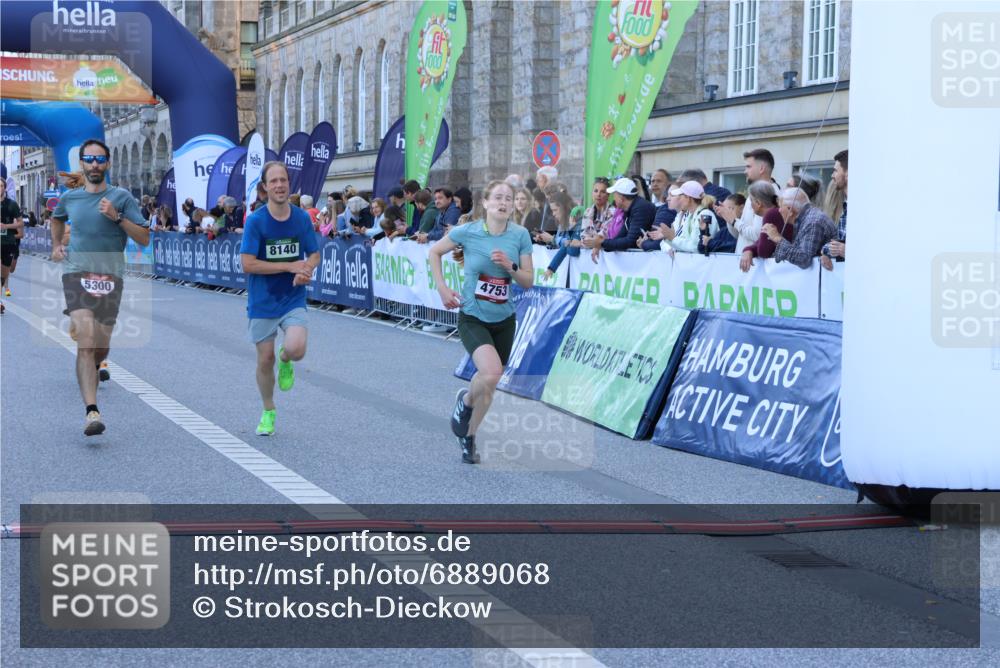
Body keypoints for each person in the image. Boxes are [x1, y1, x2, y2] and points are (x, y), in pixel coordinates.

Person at [49, 139, 150, 435]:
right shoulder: (71, 198)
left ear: (107, 163)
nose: (94, 165)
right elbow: (56, 219)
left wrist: (116, 218)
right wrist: (57, 245)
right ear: (82, 163)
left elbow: (144, 238)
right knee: (86, 339)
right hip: (76, 272)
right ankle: (92, 411)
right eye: (89, 159)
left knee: (100, 348)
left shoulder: (121, 197)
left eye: (100, 159)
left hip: (110, 277)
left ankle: (91, 368)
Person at [429, 180, 533, 464]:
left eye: (509, 199)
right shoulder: (469, 232)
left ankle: (469, 435)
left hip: (504, 318)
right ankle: (464, 402)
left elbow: (527, 280)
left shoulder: (520, 235)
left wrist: (509, 266)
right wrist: (442, 287)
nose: (504, 202)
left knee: (491, 381)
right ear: (485, 203)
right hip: (473, 316)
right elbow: (434, 252)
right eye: (498, 197)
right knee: (490, 371)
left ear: (513, 206)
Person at [240, 161, 320, 436]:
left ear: (289, 183)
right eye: (273, 181)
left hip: (292, 296)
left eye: (283, 180)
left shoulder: (301, 219)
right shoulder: (256, 221)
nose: (279, 185)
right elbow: (248, 264)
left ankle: (285, 359)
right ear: (264, 187)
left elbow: (314, 253)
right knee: (264, 360)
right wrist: (289, 267)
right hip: (263, 299)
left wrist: (306, 268)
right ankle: (268, 409)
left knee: (297, 349)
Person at [583, 177, 656, 257]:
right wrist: (600, 245)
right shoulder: (630, 208)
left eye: (615, 195)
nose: (613, 198)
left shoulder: (640, 208)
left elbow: (630, 241)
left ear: (622, 199)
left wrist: (601, 243)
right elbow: (620, 236)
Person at [768, 187, 837, 269]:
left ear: (790, 210)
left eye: (781, 206)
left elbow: (804, 260)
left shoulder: (812, 221)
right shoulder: (804, 218)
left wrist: (778, 239)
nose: (779, 210)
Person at [654, 180, 719, 254]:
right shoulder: (689, 215)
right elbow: (685, 241)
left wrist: (672, 238)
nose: (679, 200)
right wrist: (669, 238)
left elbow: (697, 246)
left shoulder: (705, 215)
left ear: (688, 198)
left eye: (681, 196)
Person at [728, 148, 776, 247]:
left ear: (761, 168)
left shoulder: (769, 194)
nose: (745, 171)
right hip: (744, 259)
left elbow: (758, 235)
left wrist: (734, 221)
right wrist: (730, 219)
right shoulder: (753, 193)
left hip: (756, 261)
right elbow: (740, 236)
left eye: (748, 167)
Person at [739, 181, 788, 272]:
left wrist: (750, 250)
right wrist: (749, 249)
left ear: (758, 203)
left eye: (751, 201)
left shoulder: (771, 214)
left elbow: (764, 251)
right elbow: (760, 242)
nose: (750, 206)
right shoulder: (776, 211)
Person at [541, 190, 581, 280]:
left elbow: (573, 251)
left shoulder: (578, 222)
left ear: (564, 208)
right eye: (552, 210)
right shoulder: (562, 223)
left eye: (555, 210)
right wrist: (548, 241)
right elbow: (563, 246)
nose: (553, 214)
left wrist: (553, 239)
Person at [821, 149, 848, 271]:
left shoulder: (865, 208)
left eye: (836, 170)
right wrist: (824, 252)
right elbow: (837, 246)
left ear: (847, 173)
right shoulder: (846, 205)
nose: (832, 175)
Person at [0, 178, 23, 309]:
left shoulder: (11, 205)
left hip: (8, 243)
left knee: (4, 275)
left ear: (4, 188)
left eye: (1, 186)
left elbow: (20, 223)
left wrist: (6, 226)